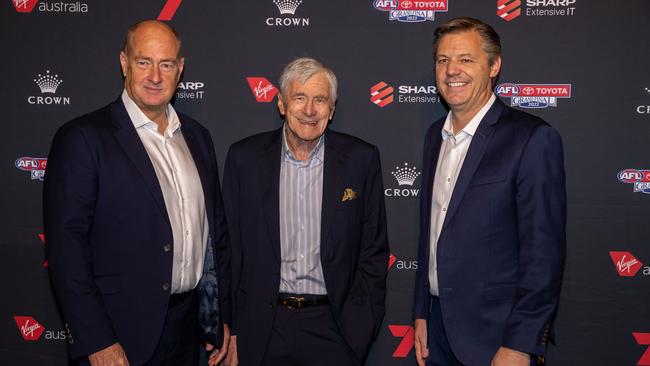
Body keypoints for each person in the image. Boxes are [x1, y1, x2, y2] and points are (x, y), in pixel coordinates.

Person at [44, 20, 230, 366]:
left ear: (181, 68)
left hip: (186, 331)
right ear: (124, 63)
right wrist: (97, 341)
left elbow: (214, 236)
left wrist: (219, 319)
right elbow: (66, 249)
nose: (155, 76)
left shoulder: (198, 137)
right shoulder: (84, 138)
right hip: (119, 336)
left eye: (166, 64)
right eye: (144, 62)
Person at [412, 17, 566, 366]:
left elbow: (543, 255)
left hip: (497, 340)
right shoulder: (434, 135)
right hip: (437, 332)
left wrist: (520, 344)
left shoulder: (531, 138)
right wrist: (421, 310)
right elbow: (431, 233)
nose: (452, 70)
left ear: (494, 65)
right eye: (442, 60)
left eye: (466, 59)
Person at [221, 57, 388, 366]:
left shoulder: (360, 160)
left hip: (336, 330)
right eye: (300, 98)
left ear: (332, 109)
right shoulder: (244, 159)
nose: (310, 110)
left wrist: (364, 323)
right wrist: (230, 327)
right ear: (282, 104)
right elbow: (229, 250)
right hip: (262, 329)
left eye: (320, 100)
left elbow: (374, 249)